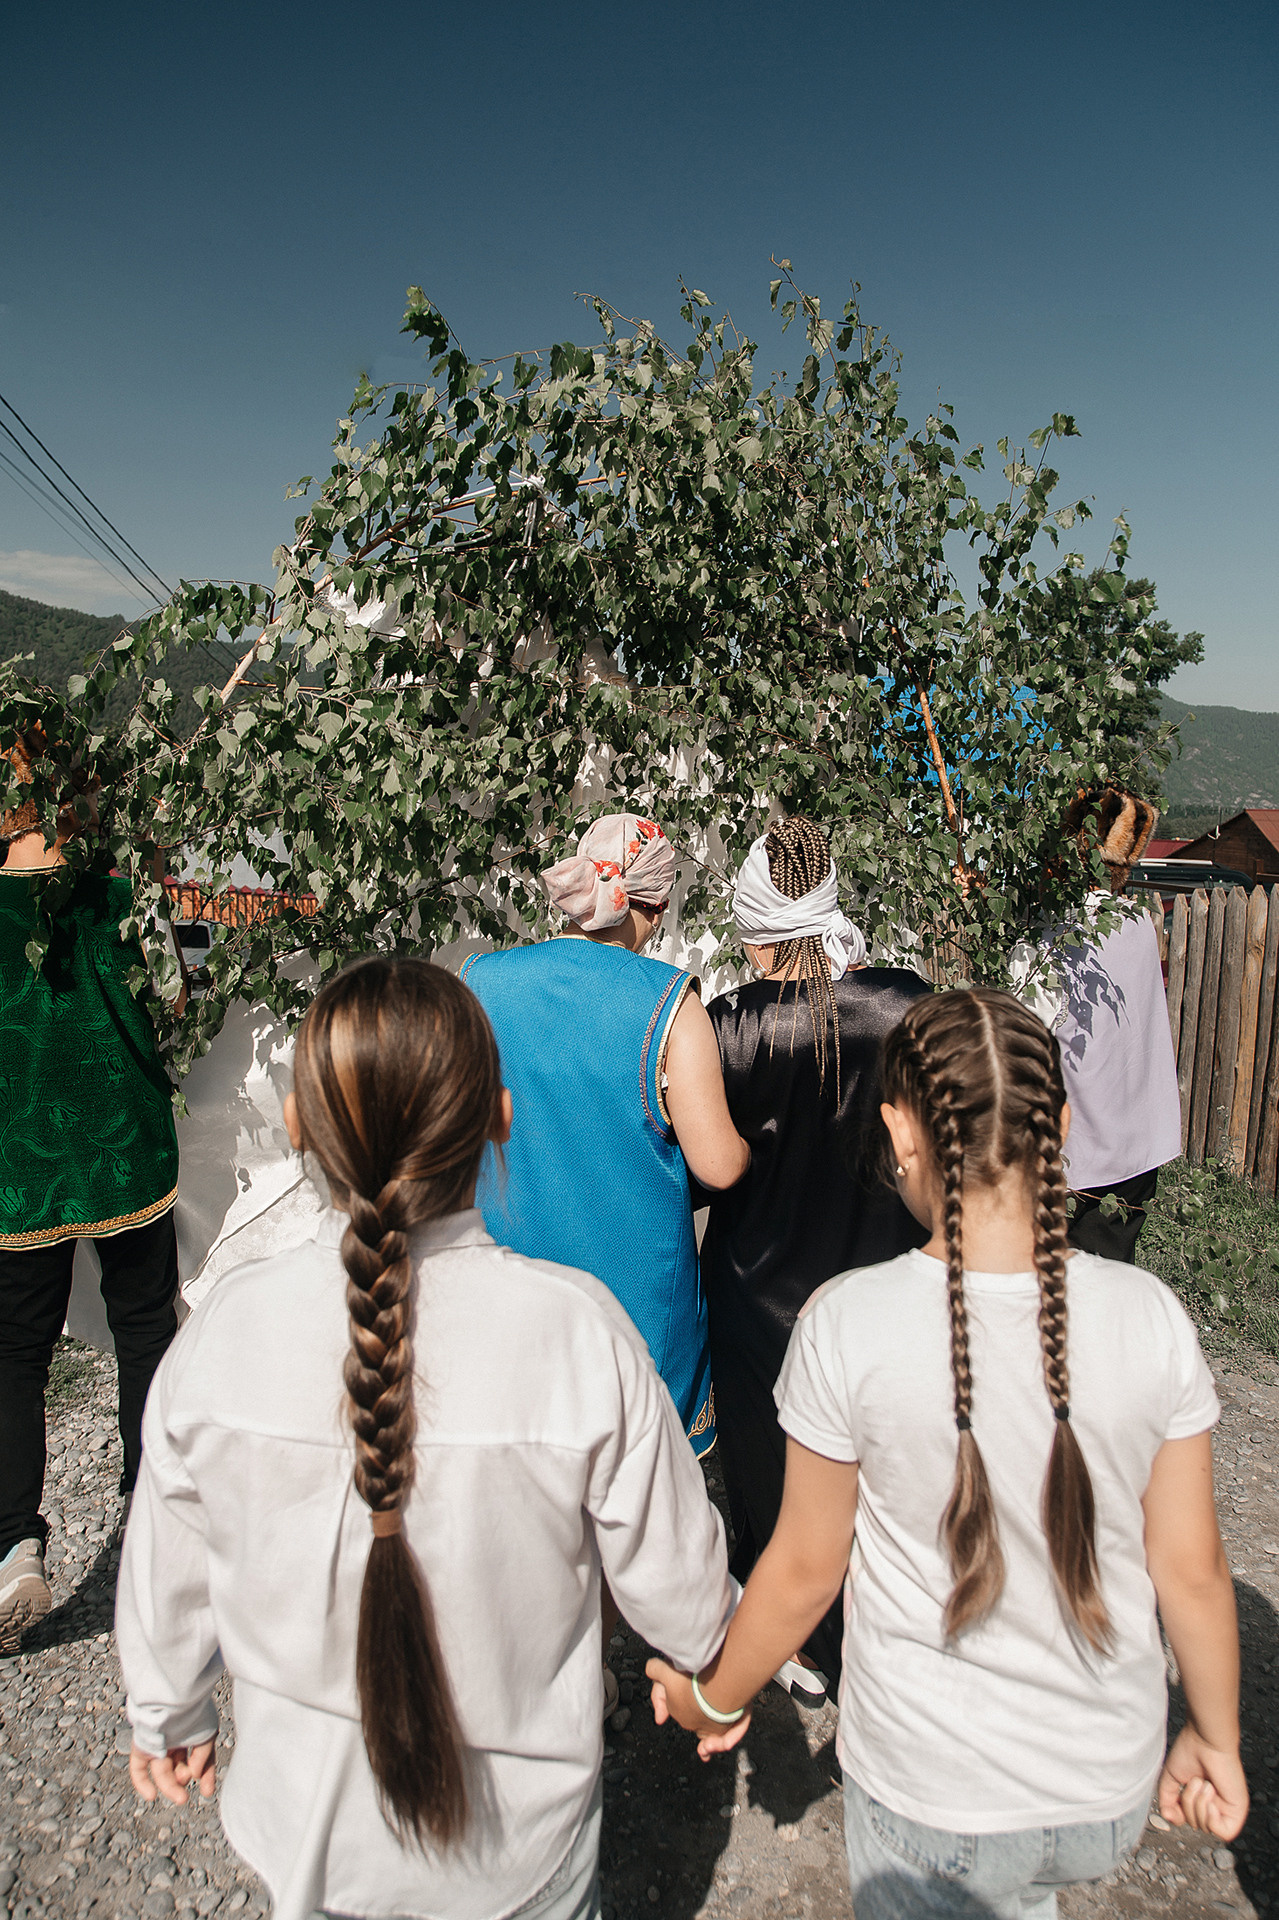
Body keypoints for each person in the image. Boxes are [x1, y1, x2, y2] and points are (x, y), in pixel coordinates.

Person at [115, 957, 736, 1920]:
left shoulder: (224, 1332)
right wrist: (712, 1664)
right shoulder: (577, 1331)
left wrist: (168, 1708)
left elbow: (169, 1566)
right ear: (500, 1118)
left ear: (296, 1125)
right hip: (525, 1858)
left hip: (305, 1845)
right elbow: (681, 1588)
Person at [650, 988, 1247, 1919]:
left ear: (900, 1132)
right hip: (1104, 1786)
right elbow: (1193, 1570)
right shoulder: (1150, 1315)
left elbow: (804, 1570)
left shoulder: (844, 1323)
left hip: (930, 1792)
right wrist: (1214, 1736)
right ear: (1058, 1129)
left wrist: (714, 1699)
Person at [699, 816, 930, 1702]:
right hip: (884, 1287)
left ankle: (793, 1643)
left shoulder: (728, 1026)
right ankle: (874, 1627)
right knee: (877, 1474)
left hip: (756, 1298)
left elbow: (700, 1170)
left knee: (770, 1471)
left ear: (753, 920)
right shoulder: (905, 1005)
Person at [460, 811, 749, 1457]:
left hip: (505, 1305)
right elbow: (719, 1166)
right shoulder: (669, 1001)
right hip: (632, 1319)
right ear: (658, 903)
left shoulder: (478, 982)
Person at [0, 730, 181, 1653]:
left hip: (18, 1154)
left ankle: (13, 1550)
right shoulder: (118, 893)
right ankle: (153, 1521)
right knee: (144, 1326)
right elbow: (176, 996)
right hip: (122, 1144)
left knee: (14, 1352)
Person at [1023, 785, 1181, 1262]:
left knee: (1060, 1277)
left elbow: (1022, 1029)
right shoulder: (1137, 923)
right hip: (1138, 1141)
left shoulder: (1057, 932)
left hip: (1079, 1153)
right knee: (1114, 1267)